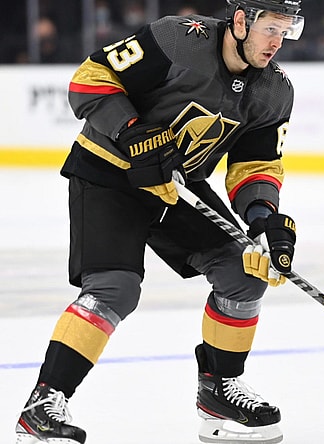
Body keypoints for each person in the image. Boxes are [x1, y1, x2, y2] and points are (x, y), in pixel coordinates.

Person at [15, 1, 303, 443]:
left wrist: (263, 219)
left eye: (287, 30)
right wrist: (131, 132)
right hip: (109, 173)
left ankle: (218, 389)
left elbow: (256, 165)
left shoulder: (274, 90)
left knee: (244, 273)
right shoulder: (179, 39)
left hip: (178, 185)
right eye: (270, 28)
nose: (277, 42)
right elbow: (90, 79)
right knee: (115, 289)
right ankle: (43, 404)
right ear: (241, 21)